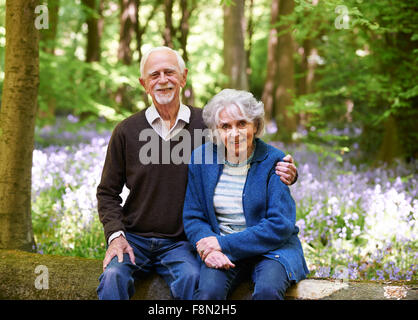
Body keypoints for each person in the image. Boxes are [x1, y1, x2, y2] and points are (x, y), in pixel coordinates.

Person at [96, 46, 299, 300]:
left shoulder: (211, 125)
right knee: (113, 277)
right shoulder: (126, 131)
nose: (162, 80)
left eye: (169, 72)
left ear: (183, 77)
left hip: (181, 242)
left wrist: (288, 171)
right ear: (144, 84)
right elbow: (107, 192)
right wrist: (116, 235)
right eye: (154, 75)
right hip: (135, 236)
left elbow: (253, 151)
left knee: (194, 281)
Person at [183, 89, 309, 300]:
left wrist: (223, 244)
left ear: (256, 125)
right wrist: (210, 247)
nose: (235, 133)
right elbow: (194, 216)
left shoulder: (274, 160)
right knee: (208, 295)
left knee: (268, 292)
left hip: (270, 250)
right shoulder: (201, 158)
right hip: (220, 248)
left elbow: (280, 224)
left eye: (242, 123)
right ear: (216, 130)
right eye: (225, 126)